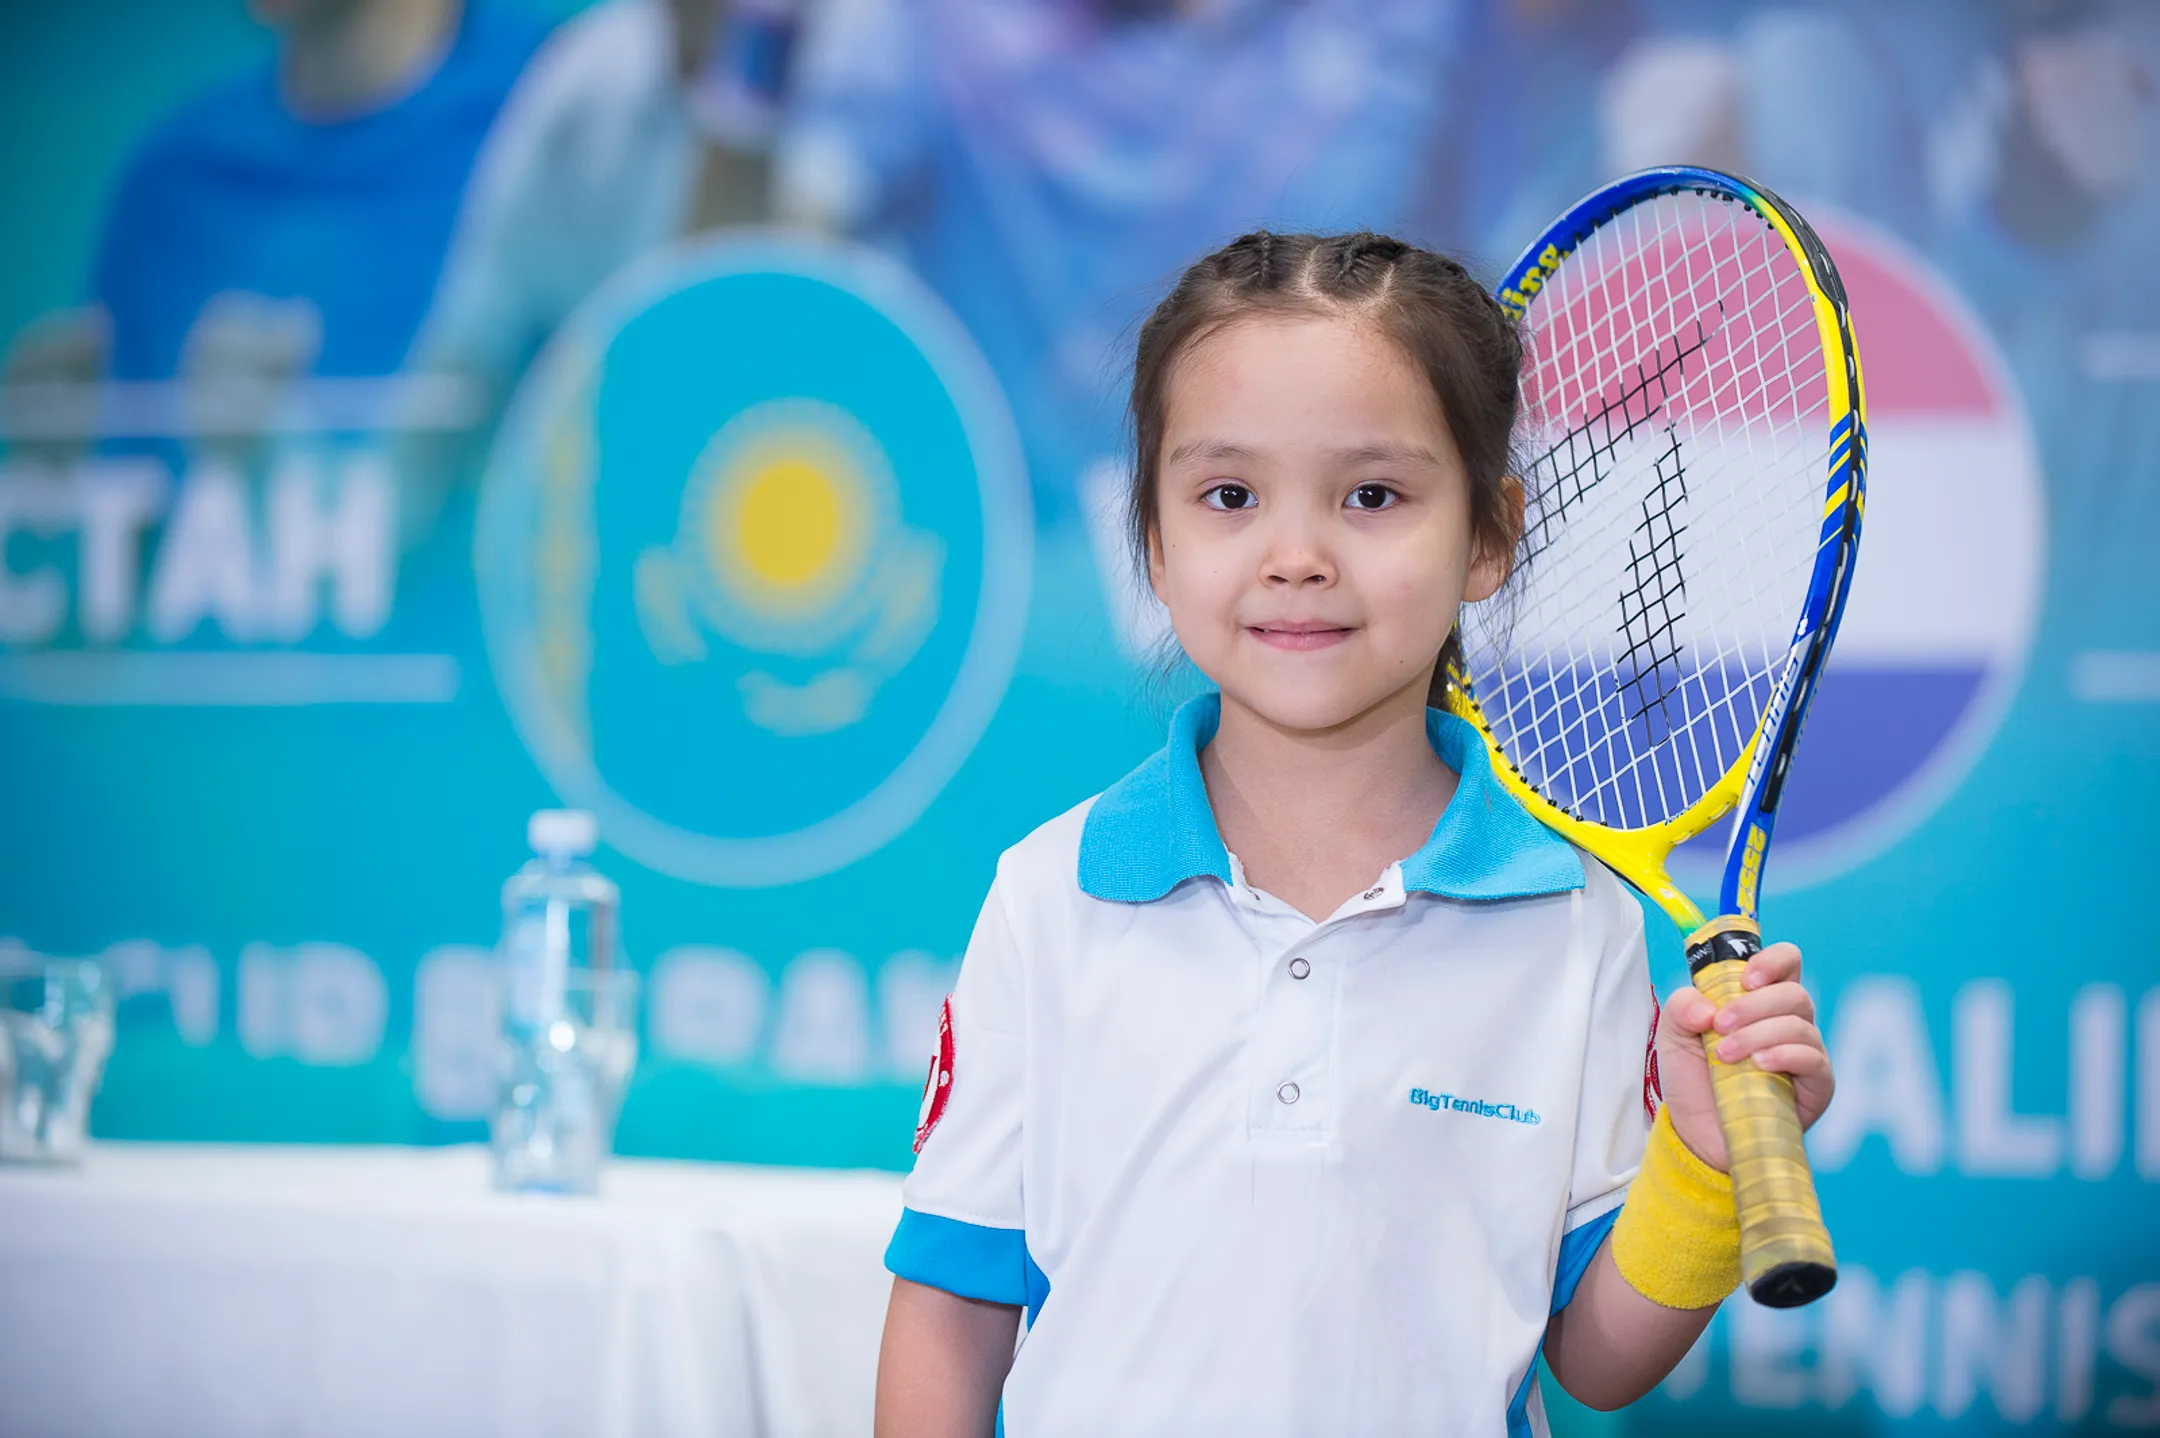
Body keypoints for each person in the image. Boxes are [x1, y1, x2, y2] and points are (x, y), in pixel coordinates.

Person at [872, 232, 1837, 1436]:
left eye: (1373, 496)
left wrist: (1702, 1163)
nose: (1297, 557)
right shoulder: (1053, 891)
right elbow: (953, 1307)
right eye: (1229, 496)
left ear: (1489, 534)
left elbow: (1595, 1360)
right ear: (1154, 542)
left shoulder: (1573, 914)